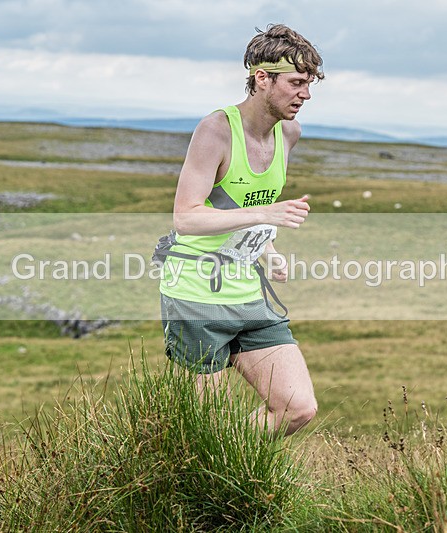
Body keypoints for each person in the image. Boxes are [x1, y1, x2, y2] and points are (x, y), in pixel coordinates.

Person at [159, 24, 324, 437]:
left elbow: (243, 203)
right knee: (201, 428)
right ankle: (198, 477)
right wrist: (267, 215)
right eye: (296, 83)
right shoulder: (216, 130)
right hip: (195, 295)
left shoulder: (289, 133)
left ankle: (230, 462)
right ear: (262, 78)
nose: (305, 94)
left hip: (247, 291)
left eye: (310, 84)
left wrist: (268, 250)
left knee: (297, 408)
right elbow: (187, 218)